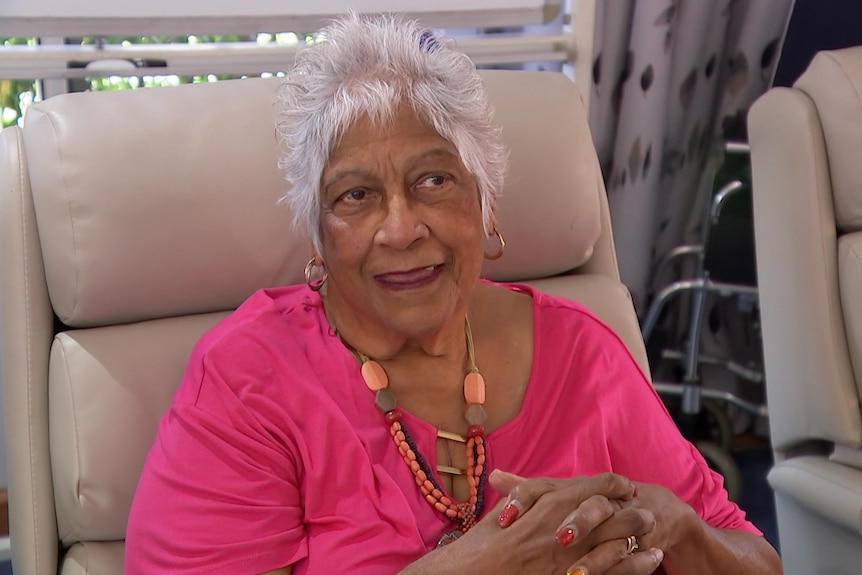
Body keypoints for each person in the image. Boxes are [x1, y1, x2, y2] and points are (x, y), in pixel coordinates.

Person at [124, 12, 782, 575]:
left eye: (434, 180)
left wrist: (680, 530)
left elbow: (753, 556)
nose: (402, 227)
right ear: (318, 240)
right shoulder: (249, 381)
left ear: (484, 205)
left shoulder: (582, 352)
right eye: (356, 196)